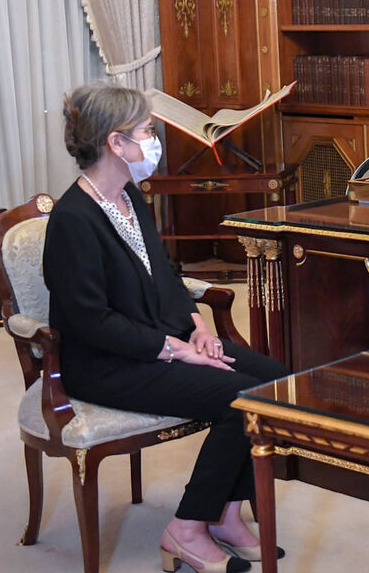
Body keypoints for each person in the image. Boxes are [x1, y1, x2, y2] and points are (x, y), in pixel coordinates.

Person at [43, 83, 290, 573]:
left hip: (159, 339)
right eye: (146, 131)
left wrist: (198, 327)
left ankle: (225, 515)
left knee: (275, 381)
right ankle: (187, 529)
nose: (154, 141)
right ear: (116, 143)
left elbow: (165, 274)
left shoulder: (130, 196)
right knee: (238, 397)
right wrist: (176, 350)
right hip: (107, 364)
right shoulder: (72, 220)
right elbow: (91, 322)